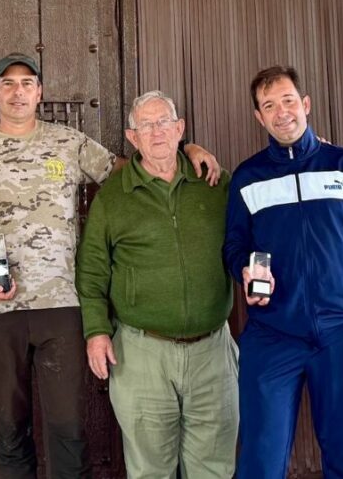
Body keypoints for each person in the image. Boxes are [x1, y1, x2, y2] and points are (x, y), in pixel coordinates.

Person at [0, 53, 220, 479]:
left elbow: (134, 172)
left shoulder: (69, 143)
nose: (18, 91)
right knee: (8, 427)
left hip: (63, 305)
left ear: (39, 92)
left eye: (28, 83)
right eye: (9, 83)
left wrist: (183, 151)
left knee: (67, 428)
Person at [224, 65, 343, 479]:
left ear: (305, 104)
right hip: (272, 335)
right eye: (269, 105)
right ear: (259, 117)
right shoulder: (247, 178)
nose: (281, 112)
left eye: (288, 100)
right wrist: (245, 269)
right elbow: (233, 247)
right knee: (259, 461)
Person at [76, 90, 238, 478]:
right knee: (150, 470)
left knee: (214, 469)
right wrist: (97, 331)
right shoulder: (114, 197)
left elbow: (261, 225)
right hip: (141, 353)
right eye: (146, 125)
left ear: (180, 128)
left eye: (164, 121)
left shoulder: (215, 183)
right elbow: (92, 270)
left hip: (212, 352)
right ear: (133, 138)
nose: (157, 132)